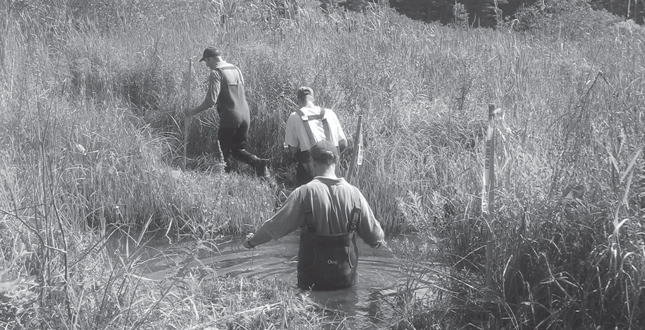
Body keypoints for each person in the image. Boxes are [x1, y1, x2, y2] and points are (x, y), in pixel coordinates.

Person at [243, 140, 385, 291]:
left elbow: (272, 228)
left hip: (311, 283)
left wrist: (251, 242)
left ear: (312, 162)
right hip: (346, 282)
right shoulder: (355, 194)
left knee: (312, 311)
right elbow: (375, 239)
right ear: (337, 160)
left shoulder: (303, 194)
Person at [185, 47, 269, 177]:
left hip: (230, 117)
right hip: (246, 115)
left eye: (206, 62)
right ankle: (258, 163)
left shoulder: (216, 73)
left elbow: (211, 101)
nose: (207, 65)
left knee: (224, 153)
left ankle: (226, 181)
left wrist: (192, 111)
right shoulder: (236, 69)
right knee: (237, 150)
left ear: (210, 59)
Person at [284, 87, 347, 185]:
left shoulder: (294, 117)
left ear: (299, 100)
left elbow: (293, 150)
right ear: (313, 99)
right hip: (333, 168)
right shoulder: (330, 113)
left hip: (310, 171)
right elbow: (343, 143)